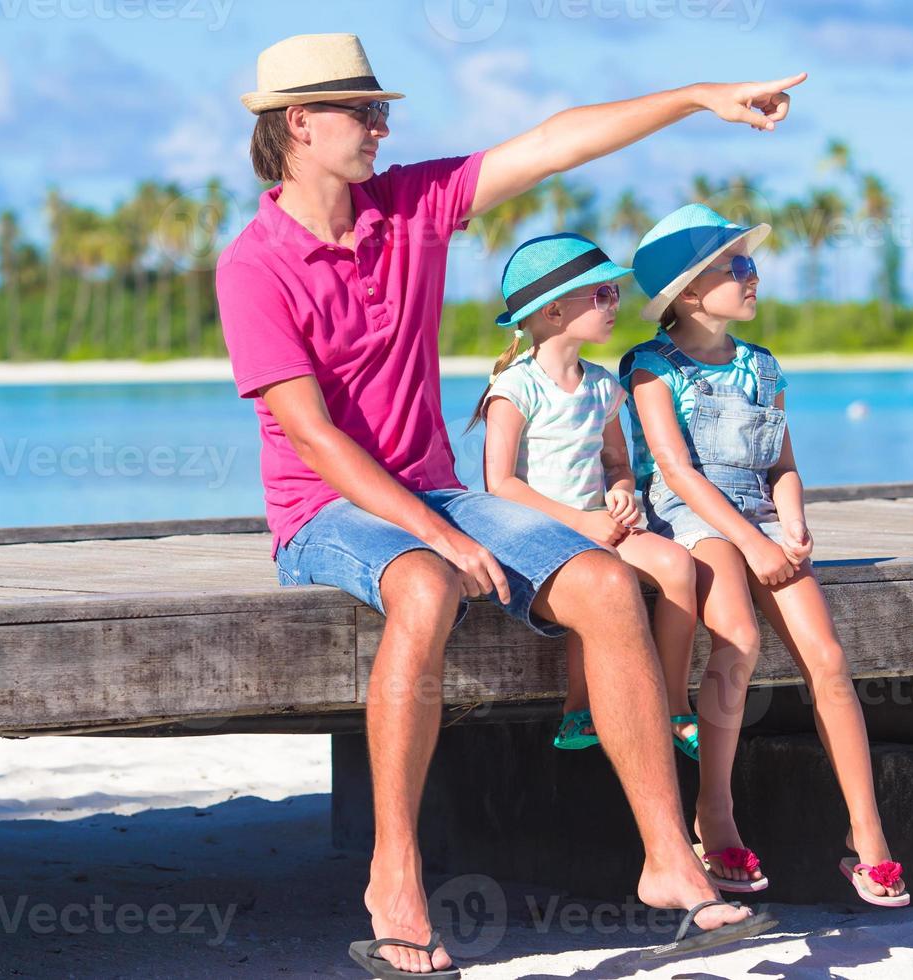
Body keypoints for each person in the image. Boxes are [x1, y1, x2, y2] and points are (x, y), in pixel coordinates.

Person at [215, 33, 805, 975]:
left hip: (434, 490)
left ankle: (665, 858)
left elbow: (556, 141)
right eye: (363, 112)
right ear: (298, 123)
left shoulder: (406, 207)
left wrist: (697, 95)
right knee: (424, 588)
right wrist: (435, 532)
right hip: (324, 511)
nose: (382, 125)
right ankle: (394, 876)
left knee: (608, 584)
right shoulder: (253, 268)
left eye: (382, 110)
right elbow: (314, 441)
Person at [621, 203, 910, 907]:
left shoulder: (760, 366)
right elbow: (676, 469)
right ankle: (713, 811)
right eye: (737, 267)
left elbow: (780, 464)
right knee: (739, 639)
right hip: (692, 518)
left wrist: (790, 524)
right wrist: (750, 542)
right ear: (689, 292)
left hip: (755, 516)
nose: (753, 277)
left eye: (750, 264)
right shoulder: (651, 366)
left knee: (828, 658)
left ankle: (865, 834)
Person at [471, 234, 700, 764]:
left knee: (677, 565)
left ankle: (673, 701)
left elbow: (618, 465)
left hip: (599, 525)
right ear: (553, 310)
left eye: (614, 295)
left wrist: (621, 495)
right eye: (601, 296)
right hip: (539, 531)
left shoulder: (602, 387)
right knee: (598, 581)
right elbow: (499, 485)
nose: (614, 305)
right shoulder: (515, 388)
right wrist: (580, 522)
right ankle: (579, 705)